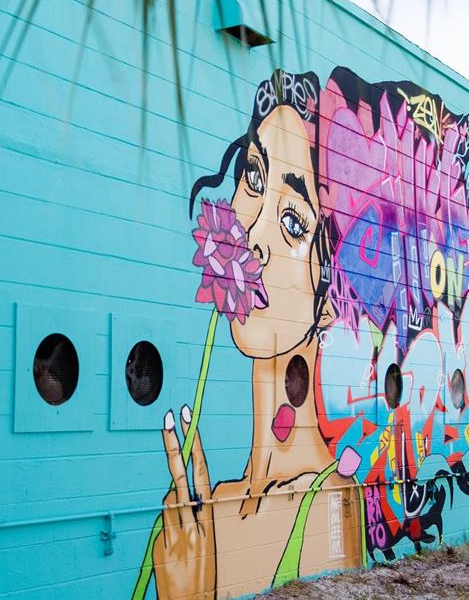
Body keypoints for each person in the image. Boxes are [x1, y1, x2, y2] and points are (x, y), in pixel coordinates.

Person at [152, 71, 364, 599]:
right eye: (253, 176)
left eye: (293, 222)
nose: (250, 235)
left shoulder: (328, 504)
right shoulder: (207, 512)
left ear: (332, 296)